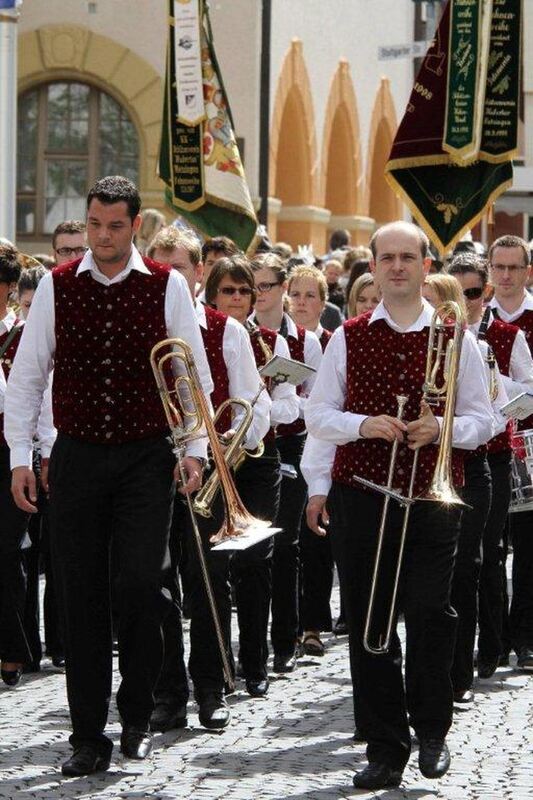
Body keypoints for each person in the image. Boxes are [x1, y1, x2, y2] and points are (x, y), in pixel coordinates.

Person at [5, 175, 213, 777]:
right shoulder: (55, 287)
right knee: (80, 594)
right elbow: (27, 376)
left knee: (141, 587)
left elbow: (189, 374)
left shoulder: (169, 285)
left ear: (135, 226)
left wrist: (193, 448)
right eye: (94, 224)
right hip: (77, 457)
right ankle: (88, 734)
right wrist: (23, 455)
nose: (101, 236)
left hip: (148, 456)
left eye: (114, 226)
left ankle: (139, 717)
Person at [305, 221, 493, 790]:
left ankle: (433, 729)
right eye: (385, 258)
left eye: (407, 257)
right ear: (372, 266)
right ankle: (386, 746)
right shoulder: (349, 335)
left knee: (433, 611)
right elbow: (318, 415)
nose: (396, 268)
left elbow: (485, 420)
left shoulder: (457, 338)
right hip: (364, 494)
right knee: (370, 620)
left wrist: (441, 429)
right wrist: (366, 424)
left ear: (425, 264)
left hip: (434, 498)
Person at [147, 229, 272, 726]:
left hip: (211, 473)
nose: (169, 278)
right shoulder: (140, 324)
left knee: (208, 582)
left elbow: (255, 407)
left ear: (199, 274)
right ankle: (166, 692)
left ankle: (210, 686)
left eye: (178, 268)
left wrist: (221, 448)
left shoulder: (227, 330)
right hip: (149, 468)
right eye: (161, 268)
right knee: (154, 583)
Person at [205, 254, 298, 693]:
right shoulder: (199, 336)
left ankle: (255, 662)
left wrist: (253, 420)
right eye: (229, 290)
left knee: (256, 562)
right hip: (211, 460)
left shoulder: (269, 342)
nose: (239, 298)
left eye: (246, 290)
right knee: (216, 563)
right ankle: (219, 663)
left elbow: (290, 405)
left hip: (258, 459)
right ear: (213, 294)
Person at [449, 252, 533, 680]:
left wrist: (493, 375)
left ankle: (494, 643)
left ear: (485, 293)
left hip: (495, 454)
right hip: (445, 456)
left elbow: (530, 389)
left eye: (472, 293)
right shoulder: (439, 334)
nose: (465, 302)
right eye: (455, 293)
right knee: (459, 557)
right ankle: (462, 645)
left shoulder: (505, 334)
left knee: (491, 552)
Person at [250, 253, 322, 673]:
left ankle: (286, 637)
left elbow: (315, 400)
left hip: (292, 446)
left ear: (281, 289)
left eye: (266, 286)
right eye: (253, 286)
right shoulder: (242, 331)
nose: (259, 295)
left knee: (287, 544)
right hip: (251, 447)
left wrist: (286, 402)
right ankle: (256, 640)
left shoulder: (303, 339)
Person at [16, 265, 64, 673]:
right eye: (27, 306)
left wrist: (47, 450)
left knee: (50, 551)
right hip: (21, 452)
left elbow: (47, 403)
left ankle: (56, 641)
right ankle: (27, 642)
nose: (32, 314)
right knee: (25, 555)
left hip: (47, 451)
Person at [488, 234, 533, 670]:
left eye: (513, 268)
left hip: (531, 443)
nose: (505, 276)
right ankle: (494, 635)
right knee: (489, 546)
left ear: (527, 271)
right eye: (498, 267)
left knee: (529, 546)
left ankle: (525, 635)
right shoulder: (477, 322)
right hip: (488, 445)